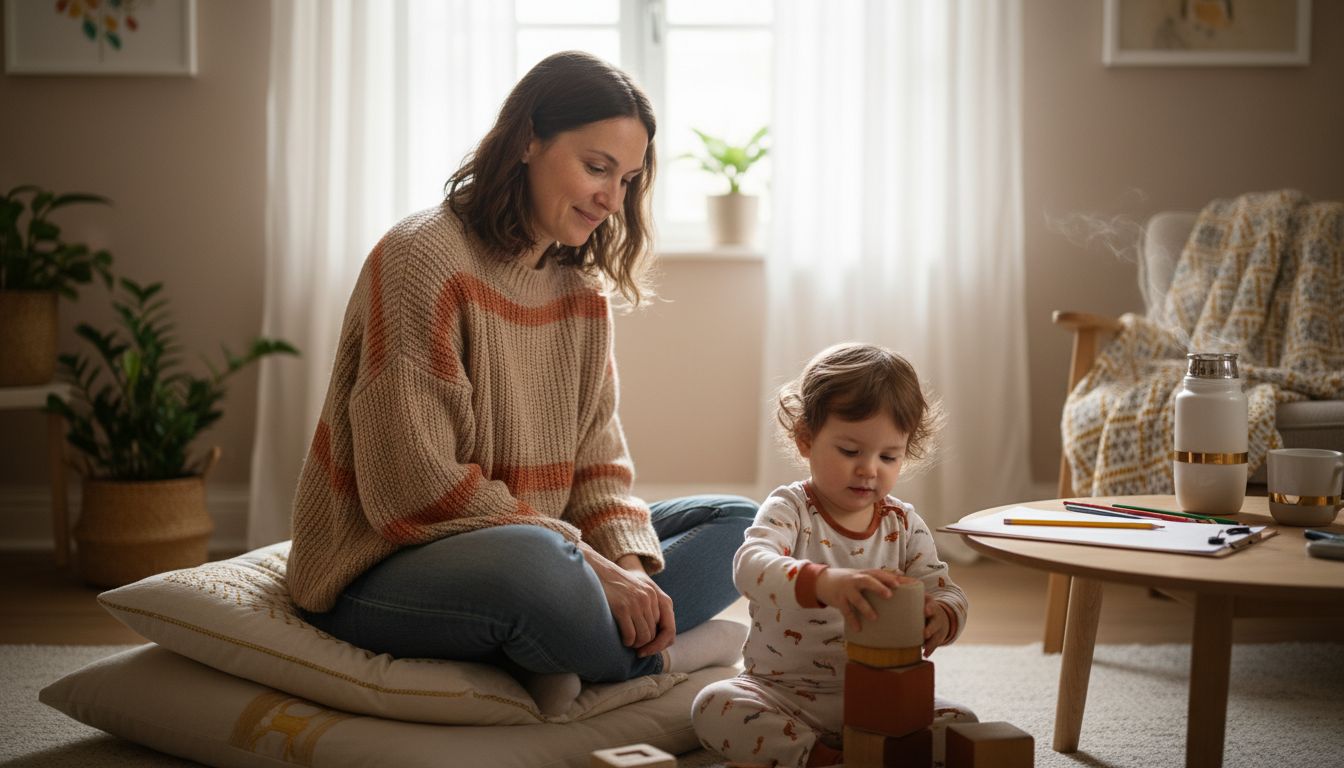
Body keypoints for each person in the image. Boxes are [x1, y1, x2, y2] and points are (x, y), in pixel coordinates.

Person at [287, 50, 753, 716]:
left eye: (626, 179)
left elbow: (598, 466)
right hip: (385, 565)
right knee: (534, 570)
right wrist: (584, 565)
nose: (611, 200)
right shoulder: (424, 257)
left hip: (543, 554)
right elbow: (411, 489)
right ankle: (668, 652)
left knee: (737, 522)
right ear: (528, 138)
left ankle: (572, 643)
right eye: (596, 168)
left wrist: (626, 571)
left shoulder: (581, 291)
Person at [691, 343, 975, 768]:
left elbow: (945, 589)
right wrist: (823, 582)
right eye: (850, 451)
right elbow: (750, 567)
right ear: (806, 440)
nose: (869, 469)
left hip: (882, 696)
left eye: (888, 456)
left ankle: (874, 751)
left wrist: (943, 615)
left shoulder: (903, 522)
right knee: (715, 705)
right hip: (782, 696)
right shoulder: (791, 509)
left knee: (962, 723)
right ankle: (819, 758)